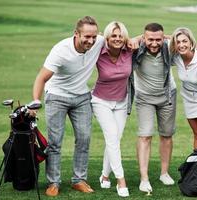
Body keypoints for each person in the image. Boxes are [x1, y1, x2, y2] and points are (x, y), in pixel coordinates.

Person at [133, 23, 197, 193]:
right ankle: (144, 178)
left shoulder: (169, 46)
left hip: (168, 96)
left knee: (166, 135)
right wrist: (136, 39)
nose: (154, 43)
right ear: (143, 38)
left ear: (164, 39)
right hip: (144, 98)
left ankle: (164, 173)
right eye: (150, 39)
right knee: (145, 135)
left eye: (158, 40)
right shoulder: (136, 46)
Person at [32, 16, 105, 197]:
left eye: (94, 37)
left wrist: (170, 38)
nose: (91, 40)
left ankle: (78, 180)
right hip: (57, 96)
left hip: (81, 97)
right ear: (76, 34)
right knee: (55, 142)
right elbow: (41, 77)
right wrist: (35, 102)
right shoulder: (61, 50)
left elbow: (124, 39)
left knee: (84, 138)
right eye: (87, 36)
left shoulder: (99, 41)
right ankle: (53, 183)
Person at [91, 21, 134, 197]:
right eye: (113, 35)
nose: (117, 39)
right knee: (112, 138)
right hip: (101, 101)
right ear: (107, 37)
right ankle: (121, 180)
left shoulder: (130, 50)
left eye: (120, 35)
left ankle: (105, 175)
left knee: (115, 139)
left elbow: (154, 38)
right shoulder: (98, 50)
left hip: (122, 102)